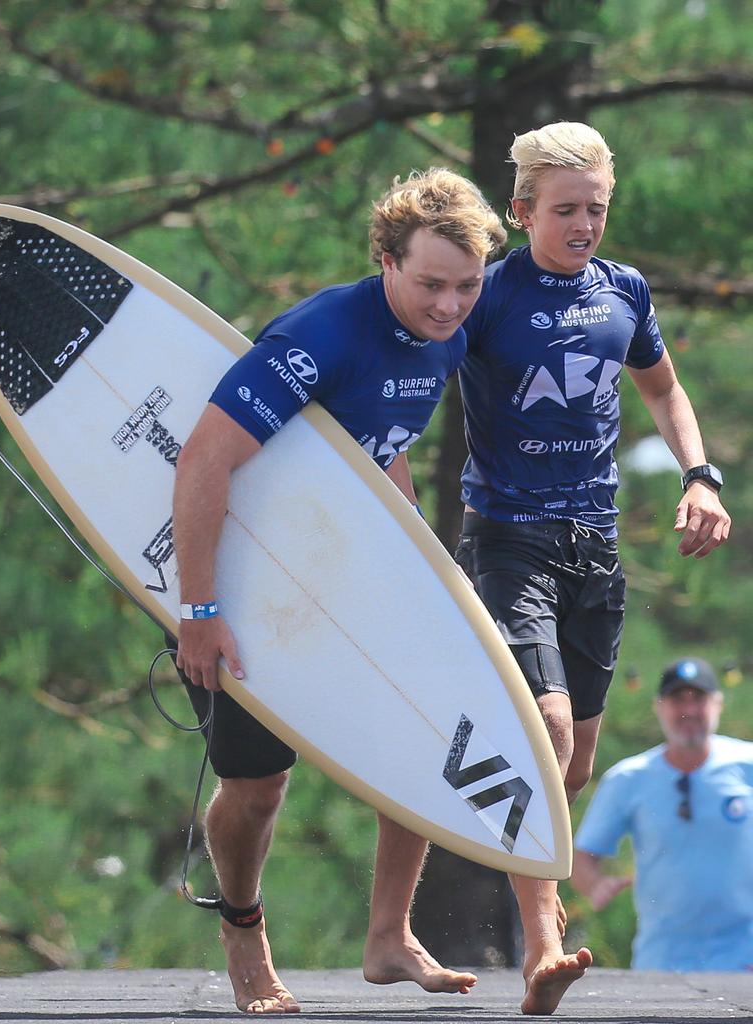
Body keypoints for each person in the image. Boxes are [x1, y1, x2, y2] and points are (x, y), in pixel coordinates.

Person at [171, 167, 507, 1014]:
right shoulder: (320, 335)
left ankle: (389, 936)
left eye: (467, 287)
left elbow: (372, 442)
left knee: (426, 731)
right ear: (386, 261)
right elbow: (205, 457)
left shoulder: (447, 337)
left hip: (348, 571)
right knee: (258, 788)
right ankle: (243, 930)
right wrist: (200, 610)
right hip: (248, 582)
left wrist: (412, 545)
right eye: (431, 284)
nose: (449, 305)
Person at [454, 122, 731, 1014]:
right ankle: (541, 946)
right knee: (551, 735)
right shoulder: (487, 297)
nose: (584, 225)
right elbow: (415, 380)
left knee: (574, 771)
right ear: (522, 209)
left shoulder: (626, 291)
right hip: (507, 538)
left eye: (597, 210)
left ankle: (527, 867)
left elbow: (662, 386)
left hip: (593, 547)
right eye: (566, 209)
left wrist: (699, 474)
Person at [572, 657, 753, 971]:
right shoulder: (628, 778)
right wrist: (595, 885)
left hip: (744, 958)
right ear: (659, 707)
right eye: (677, 699)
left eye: (699, 698)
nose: (689, 710)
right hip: (662, 961)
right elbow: (581, 858)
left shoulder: (747, 765)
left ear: (719, 703)